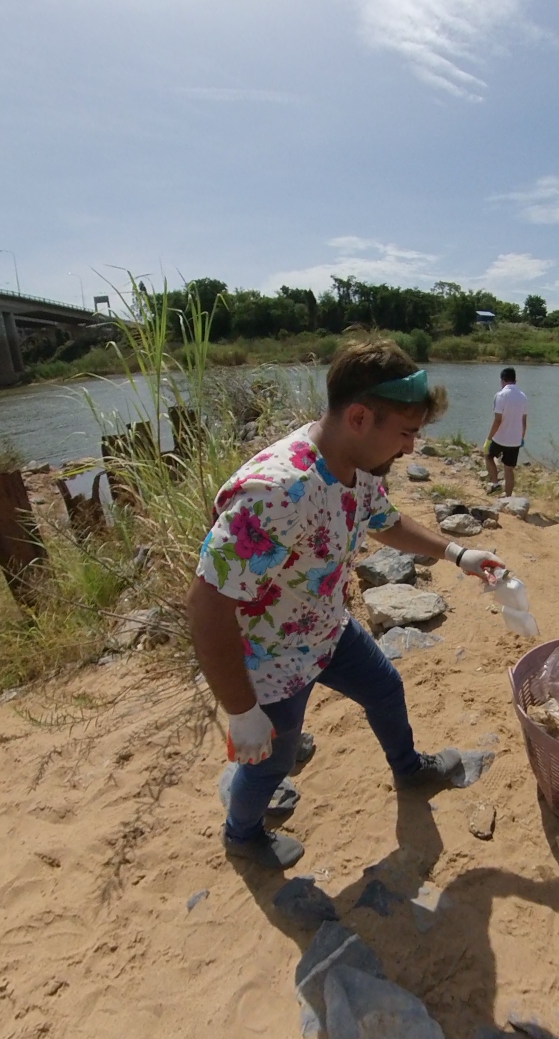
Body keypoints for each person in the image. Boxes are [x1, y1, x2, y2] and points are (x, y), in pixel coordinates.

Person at [186, 338, 508, 869]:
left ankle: (408, 768)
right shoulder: (278, 491)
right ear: (359, 416)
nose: (410, 449)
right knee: (272, 760)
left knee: (385, 687)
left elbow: (384, 521)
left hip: (327, 629)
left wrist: (458, 552)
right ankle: (241, 834)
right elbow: (205, 605)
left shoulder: (358, 467)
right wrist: (241, 711)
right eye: (405, 434)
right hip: (270, 664)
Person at [485, 367, 528, 496]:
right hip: (515, 439)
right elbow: (524, 421)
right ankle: (508, 498)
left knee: (488, 456)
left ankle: (495, 482)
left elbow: (498, 420)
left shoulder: (500, 395)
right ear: (515, 380)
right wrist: (521, 438)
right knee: (509, 469)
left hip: (500, 437)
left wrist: (489, 439)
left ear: (502, 380)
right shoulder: (523, 397)